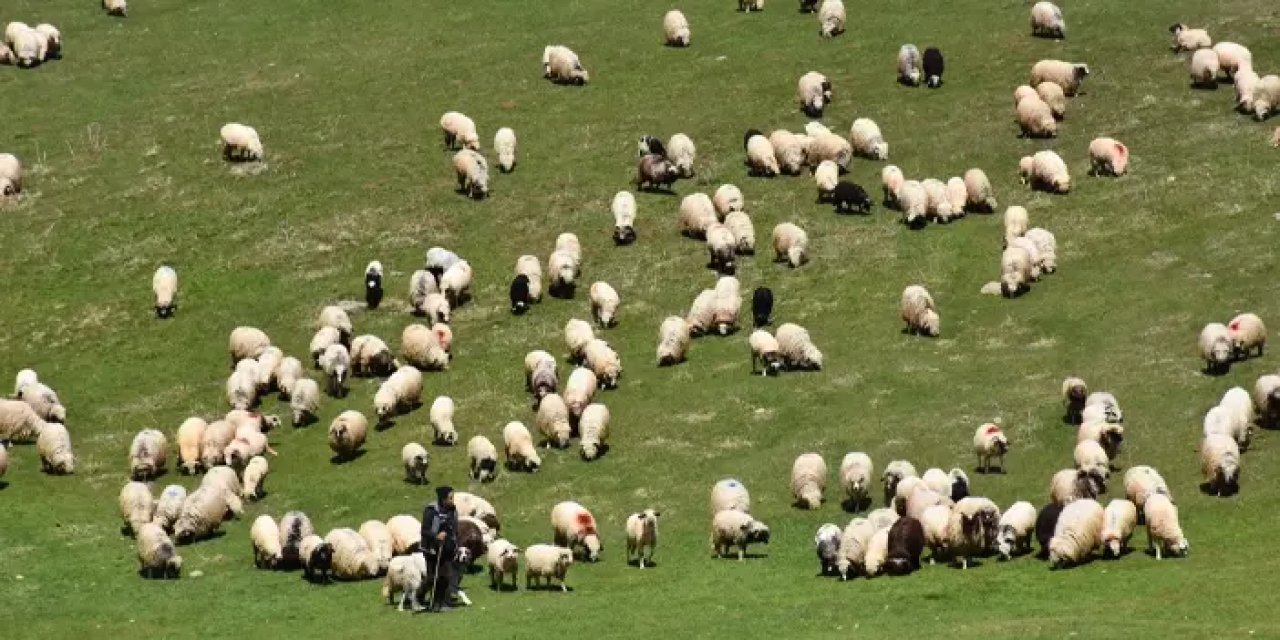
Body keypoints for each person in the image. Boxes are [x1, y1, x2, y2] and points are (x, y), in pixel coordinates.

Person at [420, 485, 462, 612]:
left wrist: (455, 542)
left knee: (445, 577)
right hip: (432, 549)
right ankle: (418, 596)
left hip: (447, 548)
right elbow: (424, 531)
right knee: (432, 578)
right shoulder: (431, 511)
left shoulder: (452, 510)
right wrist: (436, 536)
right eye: (450, 498)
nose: (452, 501)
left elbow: (454, 528)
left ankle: (439, 603)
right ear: (443, 499)